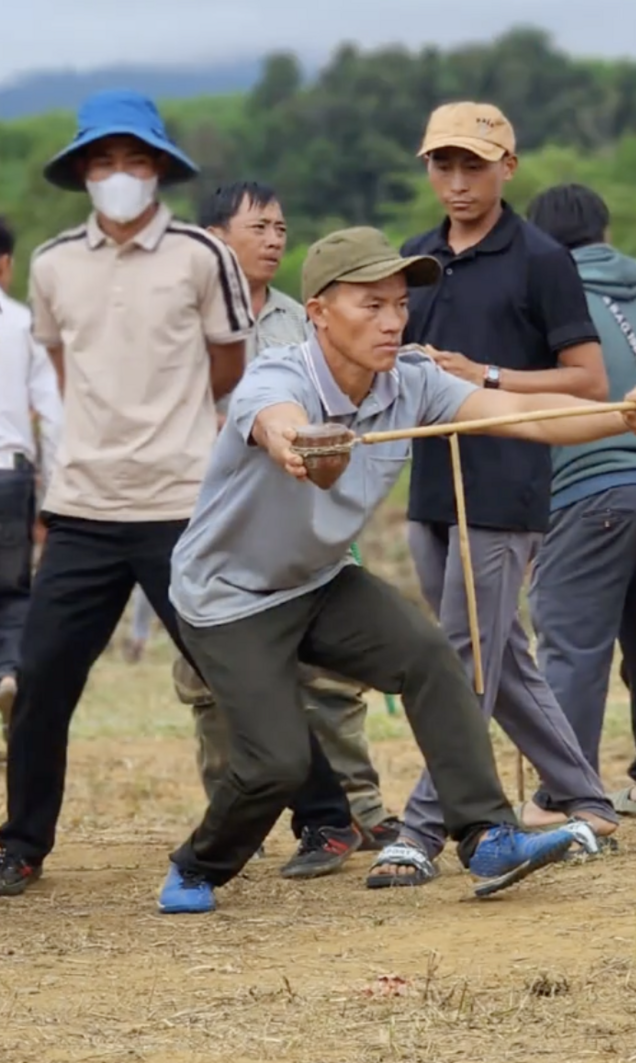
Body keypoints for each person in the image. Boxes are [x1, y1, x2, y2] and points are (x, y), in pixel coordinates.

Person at [157, 224, 636, 915]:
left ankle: (487, 833)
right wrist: (297, 440)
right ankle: (197, 865)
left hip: (316, 579)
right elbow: (273, 418)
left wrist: (621, 415)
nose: (393, 320)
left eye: (400, 304)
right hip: (228, 597)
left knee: (431, 654)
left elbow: (522, 413)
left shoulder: (410, 380)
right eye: (370, 305)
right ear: (318, 311)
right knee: (277, 763)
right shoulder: (280, 373)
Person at [0, 88, 255, 897]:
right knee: (40, 681)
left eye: (135, 161)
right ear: (82, 173)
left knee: (233, 667)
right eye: (104, 162)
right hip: (81, 505)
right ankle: (22, 841)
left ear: (160, 172)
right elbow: (61, 371)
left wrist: (173, 425)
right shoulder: (52, 264)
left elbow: (229, 367)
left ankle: (324, 811)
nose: (119, 175)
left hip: (179, 500)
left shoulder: (199, 256)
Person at [372, 102, 619, 887]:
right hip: (431, 485)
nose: (456, 181)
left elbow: (589, 381)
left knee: (459, 656)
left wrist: (483, 374)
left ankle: (423, 827)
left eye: (472, 165)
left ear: (507, 167)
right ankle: (587, 796)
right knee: (499, 655)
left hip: (507, 483)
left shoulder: (542, 258)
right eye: (442, 165)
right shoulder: (414, 259)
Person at [171, 180, 400, 861]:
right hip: (202, 515)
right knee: (212, 684)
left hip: (305, 514)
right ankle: (233, 824)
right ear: (215, 236)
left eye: (281, 227)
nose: (274, 238)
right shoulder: (181, 316)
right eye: (259, 226)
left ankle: (355, 810)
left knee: (328, 676)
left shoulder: (307, 319)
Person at [525, 183, 636, 817]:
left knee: (571, 642)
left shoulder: (551, 300)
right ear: (606, 231)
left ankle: (561, 793)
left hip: (589, 490)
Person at [0, 216, 63, 753]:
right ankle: (9, 674)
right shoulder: (22, 324)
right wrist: (54, 497)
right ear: (5, 264)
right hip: (9, 474)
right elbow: (55, 415)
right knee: (13, 592)